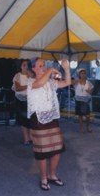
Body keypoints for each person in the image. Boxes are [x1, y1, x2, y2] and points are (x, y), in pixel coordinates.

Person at [27, 58, 71, 191]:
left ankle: (52, 175)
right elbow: (39, 83)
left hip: (51, 118)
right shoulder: (30, 82)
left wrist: (66, 69)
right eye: (40, 66)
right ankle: (43, 177)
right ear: (33, 69)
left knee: (57, 149)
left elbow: (68, 82)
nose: (43, 67)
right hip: (38, 119)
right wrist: (51, 69)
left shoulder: (50, 82)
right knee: (42, 152)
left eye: (44, 65)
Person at [12, 60, 34, 145]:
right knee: (24, 120)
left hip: (31, 100)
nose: (26, 67)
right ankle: (26, 139)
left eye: (27, 65)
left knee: (31, 120)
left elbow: (35, 86)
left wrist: (30, 78)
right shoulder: (18, 75)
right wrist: (29, 85)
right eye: (24, 65)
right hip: (21, 100)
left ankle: (32, 138)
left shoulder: (32, 75)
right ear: (20, 66)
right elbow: (17, 88)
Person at [72, 69, 94, 133]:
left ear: (85, 74)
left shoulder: (88, 82)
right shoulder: (76, 81)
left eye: (84, 73)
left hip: (86, 101)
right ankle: (81, 128)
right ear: (79, 75)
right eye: (81, 73)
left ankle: (88, 127)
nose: (83, 75)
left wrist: (89, 91)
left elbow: (91, 92)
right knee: (80, 115)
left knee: (87, 116)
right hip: (78, 100)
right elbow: (70, 82)